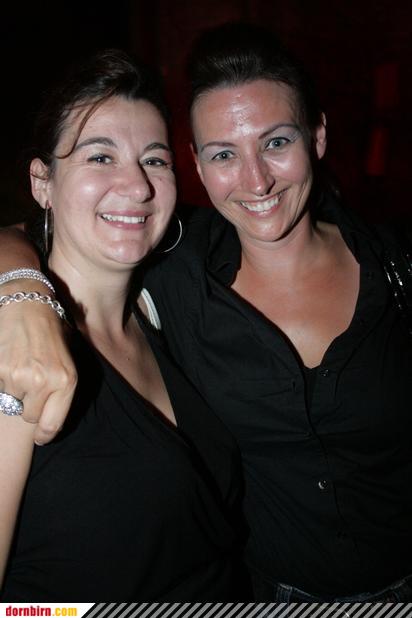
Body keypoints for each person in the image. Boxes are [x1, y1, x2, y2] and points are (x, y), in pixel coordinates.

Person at [0, 22, 411, 603]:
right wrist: (19, 292)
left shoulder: (395, 267)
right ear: (198, 163)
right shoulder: (32, 347)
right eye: (100, 156)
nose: (256, 180)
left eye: (276, 142)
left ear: (317, 137)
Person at [0, 48, 250, 601]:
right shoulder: (16, 353)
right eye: (100, 156)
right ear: (43, 182)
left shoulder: (164, 309)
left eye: (155, 161)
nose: (137, 186)